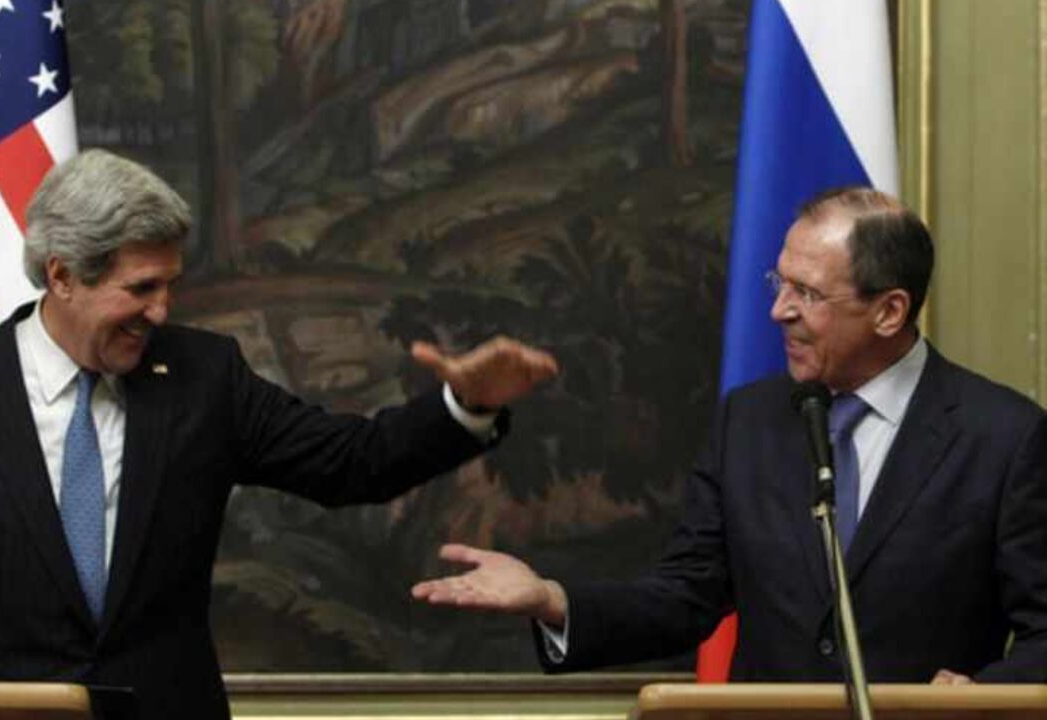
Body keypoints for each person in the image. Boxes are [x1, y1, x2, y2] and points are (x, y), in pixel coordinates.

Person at [0, 149, 558, 719]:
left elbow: (352, 464)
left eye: (169, 287)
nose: (160, 312)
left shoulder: (205, 378)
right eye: (140, 288)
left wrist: (465, 406)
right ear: (63, 276)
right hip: (3, 715)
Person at [412, 187, 1047, 684]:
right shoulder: (751, 421)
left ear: (889, 311)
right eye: (780, 284)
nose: (779, 311)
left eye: (807, 293)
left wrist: (979, 697)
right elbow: (686, 596)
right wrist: (550, 599)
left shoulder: (1004, 437)